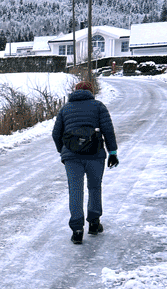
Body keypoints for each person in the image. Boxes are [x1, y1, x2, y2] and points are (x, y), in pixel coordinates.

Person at [51, 80, 119, 245]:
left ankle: (77, 230)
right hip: (95, 154)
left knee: (75, 190)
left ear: (75, 92)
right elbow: (108, 130)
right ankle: (94, 223)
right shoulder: (98, 106)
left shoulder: (65, 109)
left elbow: (55, 134)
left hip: (72, 156)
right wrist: (113, 152)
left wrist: (64, 151)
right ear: (91, 91)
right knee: (95, 187)